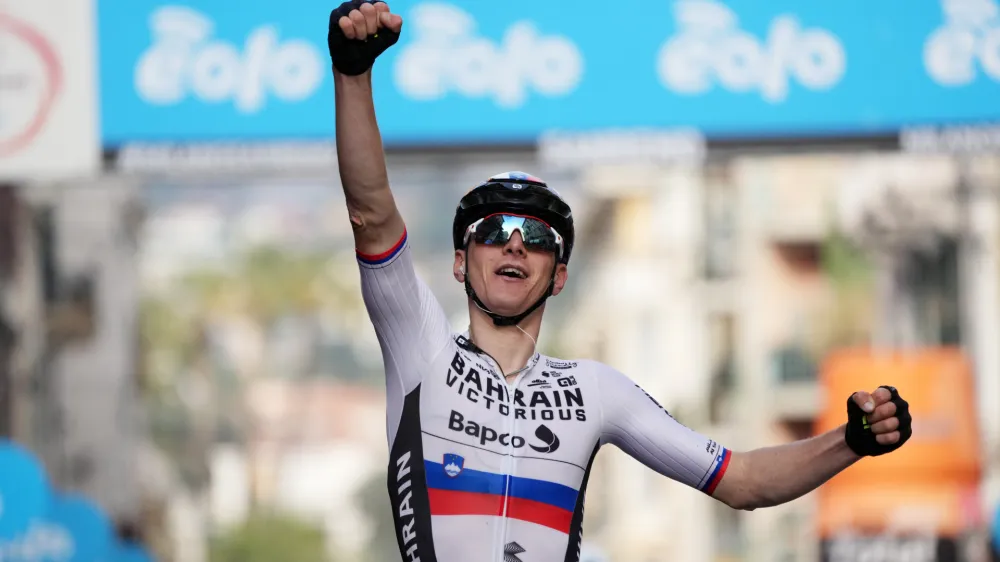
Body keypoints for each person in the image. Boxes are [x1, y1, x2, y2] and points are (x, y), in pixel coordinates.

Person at [327, 2, 914, 561]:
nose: (514, 244)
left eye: (537, 237)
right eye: (494, 230)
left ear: (559, 277)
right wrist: (353, 74)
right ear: (460, 263)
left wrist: (851, 441)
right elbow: (372, 214)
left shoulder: (594, 391)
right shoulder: (422, 350)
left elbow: (745, 480)